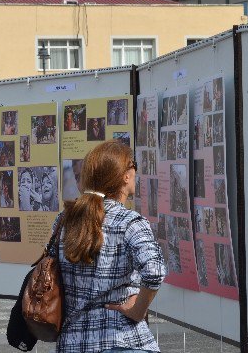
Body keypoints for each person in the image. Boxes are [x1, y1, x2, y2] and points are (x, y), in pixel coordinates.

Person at [54, 141, 166, 353]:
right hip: (122, 340)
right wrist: (137, 311)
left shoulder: (64, 219)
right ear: (125, 175)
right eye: (134, 166)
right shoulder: (130, 222)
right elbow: (154, 272)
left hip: (72, 342)